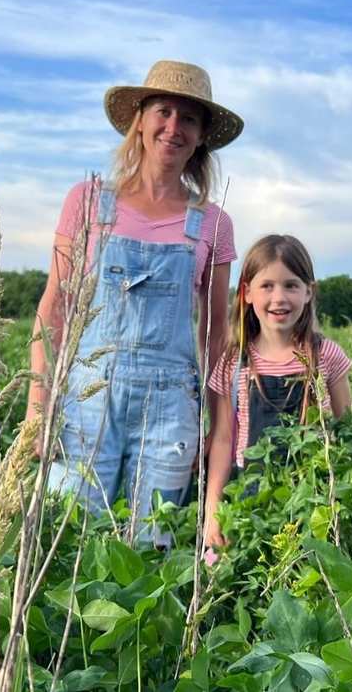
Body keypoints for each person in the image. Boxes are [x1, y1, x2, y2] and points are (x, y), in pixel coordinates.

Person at [26, 60, 240, 539]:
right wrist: (38, 404)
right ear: (139, 120)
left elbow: (217, 335)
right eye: (163, 111)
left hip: (171, 406)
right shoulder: (86, 200)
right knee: (66, 537)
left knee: (152, 541)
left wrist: (218, 425)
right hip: (87, 396)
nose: (173, 127)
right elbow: (53, 307)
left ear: (202, 134)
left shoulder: (213, 223)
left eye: (188, 118)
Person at [202, 234, 352, 550]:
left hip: (311, 499)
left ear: (309, 292)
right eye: (267, 286)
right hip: (246, 500)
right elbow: (222, 440)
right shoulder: (234, 362)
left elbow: (347, 432)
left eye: (291, 285)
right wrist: (213, 511)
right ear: (246, 293)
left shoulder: (326, 355)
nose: (279, 297)